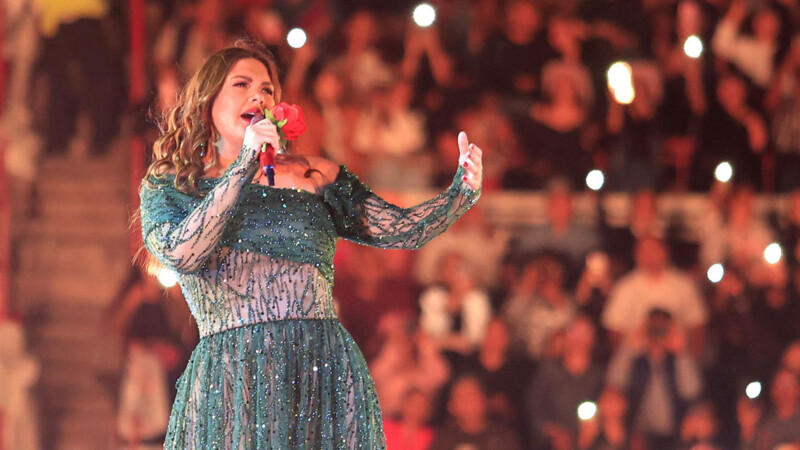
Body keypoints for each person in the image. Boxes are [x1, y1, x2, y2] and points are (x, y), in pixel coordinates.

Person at [137, 41, 483, 448]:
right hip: (234, 375)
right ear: (208, 101)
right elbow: (182, 253)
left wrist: (463, 190)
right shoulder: (173, 187)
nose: (258, 95)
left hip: (319, 366)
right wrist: (245, 163)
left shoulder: (314, 174)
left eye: (267, 89)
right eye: (242, 84)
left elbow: (400, 229)